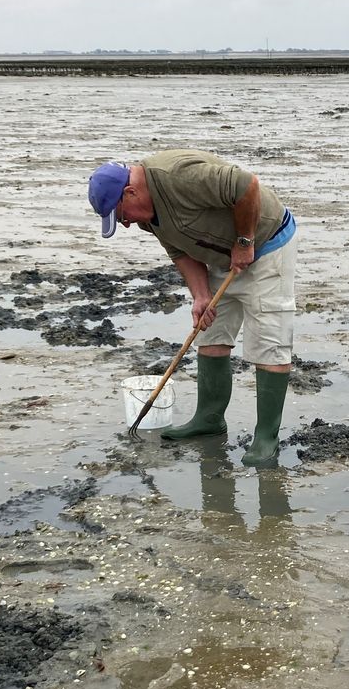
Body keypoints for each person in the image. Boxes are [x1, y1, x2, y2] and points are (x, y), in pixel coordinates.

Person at [88, 151, 297, 466]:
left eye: (122, 215)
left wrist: (244, 241)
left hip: (265, 242)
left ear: (130, 192)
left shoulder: (178, 177)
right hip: (221, 253)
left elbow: (246, 185)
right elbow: (180, 251)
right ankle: (209, 419)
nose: (127, 224)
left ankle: (266, 437)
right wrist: (200, 295)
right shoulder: (147, 216)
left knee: (269, 341)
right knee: (210, 331)